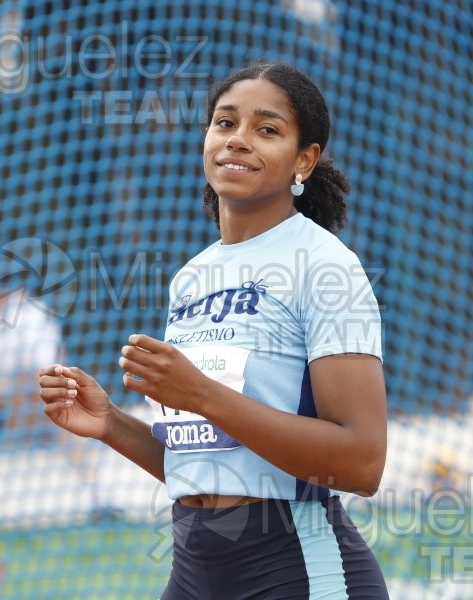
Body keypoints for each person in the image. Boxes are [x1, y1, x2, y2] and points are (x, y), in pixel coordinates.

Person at [38, 62, 389, 599]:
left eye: (266, 129)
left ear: (305, 160)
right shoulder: (192, 278)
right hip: (196, 568)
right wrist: (111, 424)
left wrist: (200, 394)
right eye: (225, 123)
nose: (239, 140)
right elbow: (210, 468)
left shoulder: (325, 267)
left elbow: (362, 463)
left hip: (294, 569)